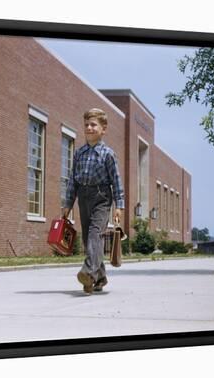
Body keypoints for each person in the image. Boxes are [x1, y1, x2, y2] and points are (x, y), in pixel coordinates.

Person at [62, 108, 125, 294]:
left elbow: (116, 181)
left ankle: (87, 272)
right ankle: (100, 277)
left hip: (102, 198)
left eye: (93, 125)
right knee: (88, 238)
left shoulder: (108, 154)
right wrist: (67, 204)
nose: (89, 128)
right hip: (83, 197)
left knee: (95, 235)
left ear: (103, 129)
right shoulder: (79, 153)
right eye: (86, 125)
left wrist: (119, 206)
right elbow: (73, 180)